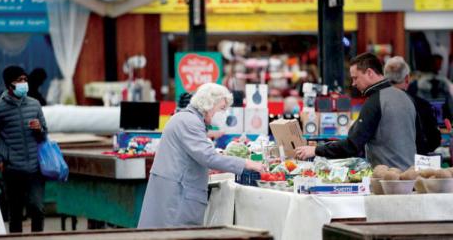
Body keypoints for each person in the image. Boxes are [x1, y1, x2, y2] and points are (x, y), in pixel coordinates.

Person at [138, 83, 265, 228]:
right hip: (177, 196)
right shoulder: (189, 122)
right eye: (222, 108)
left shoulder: (187, 119)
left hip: (174, 191)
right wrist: (246, 163)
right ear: (209, 104)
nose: (224, 114)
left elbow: (190, 156)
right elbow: (208, 157)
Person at [295, 53, 417, 170]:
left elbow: (352, 145)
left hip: (385, 180)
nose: (353, 84)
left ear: (369, 72)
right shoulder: (407, 98)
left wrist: (315, 150)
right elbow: (424, 142)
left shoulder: (374, 101)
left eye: (355, 78)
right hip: (411, 176)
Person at [0, 65, 48, 233]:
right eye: (19, 80)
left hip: (35, 167)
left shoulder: (35, 105)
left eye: (25, 79)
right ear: (9, 85)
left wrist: (39, 129)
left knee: (37, 209)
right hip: (12, 169)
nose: (23, 83)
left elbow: (44, 135)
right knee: (16, 213)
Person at [384, 56, 441, 154]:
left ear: (385, 79)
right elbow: (434, 141)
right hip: (416, 164)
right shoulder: (422, 105)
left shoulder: (376, 104)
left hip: (385, 166)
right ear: (407, 79)